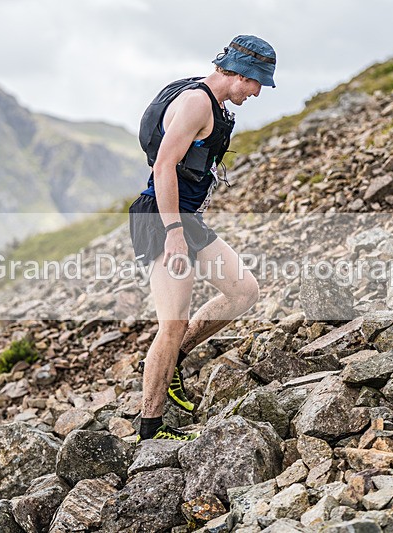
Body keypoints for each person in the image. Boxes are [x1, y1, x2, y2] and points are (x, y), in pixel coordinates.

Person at [128, 35, 277, 441]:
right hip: (163, 218)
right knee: (173, 322)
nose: (257, 92)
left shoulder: (209, 100)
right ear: (241, 74)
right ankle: (150, 429)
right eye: (257, 83)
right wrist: (173, 232)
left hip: (185, 218)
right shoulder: (197, 102)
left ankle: (174, 360)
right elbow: (163, 166)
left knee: (243, 291)